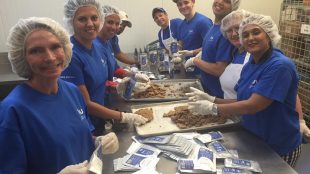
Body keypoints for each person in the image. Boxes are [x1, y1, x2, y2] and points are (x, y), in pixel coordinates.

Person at [0, 17, 118, 174]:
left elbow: (81, 136)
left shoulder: (73, 91)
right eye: (36, 50)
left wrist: (98, 141)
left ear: (65, 48)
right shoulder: (13, 109)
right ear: (23, 57)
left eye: (55, 47)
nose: (49, 57)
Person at [187, 14, 302, 167]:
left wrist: (214, 108)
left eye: (256, 32)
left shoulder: (279, 66)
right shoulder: (251, 64)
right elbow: (243, 100)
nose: (250, 38)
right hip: (255, 138)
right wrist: (212, 99)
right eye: (245, 35)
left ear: (268, 35)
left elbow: (254, 105)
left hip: (278, 146)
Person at [61, 0, 147, 135]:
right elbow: (84, 104)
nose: (90, 24)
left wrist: (123, 83)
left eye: (94, 18)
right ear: (71, 22)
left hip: (101, 117)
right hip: (84, 126)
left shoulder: (97, 47)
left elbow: (106, 77)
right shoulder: (71, 55)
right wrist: (123, 116)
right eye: (82, 19)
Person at [184, 0, 240, 98]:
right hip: (206, 88)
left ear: (233, 7)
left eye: (227, 1)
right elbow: (213, 50)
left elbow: (219, 69)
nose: (220, 2)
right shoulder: (214, 27)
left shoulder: (227, 32)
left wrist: (195, 61)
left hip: (218, 95)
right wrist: (197, 53)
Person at [171, 0, 213, 74]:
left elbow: (211, 48)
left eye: (186, 2)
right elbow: (181, 43)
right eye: (180, 4)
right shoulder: (182, 25)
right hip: (188, 69)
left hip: (202, 71)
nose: (183, 6)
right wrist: (176, 52)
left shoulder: (203, 22)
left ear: (193, 2)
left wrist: (191, 53)